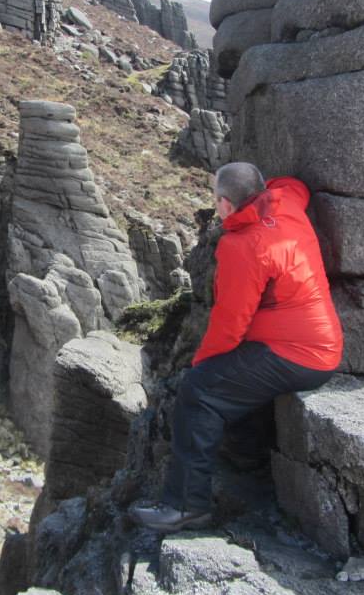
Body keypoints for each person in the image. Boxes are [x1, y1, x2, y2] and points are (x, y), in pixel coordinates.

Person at [130, 162, 343, 533]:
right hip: (318, 343)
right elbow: (293, 184)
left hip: (297, 353)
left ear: (226, 205)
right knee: (228, 384)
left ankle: (186, 507)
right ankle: (245, 467)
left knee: (200, 391)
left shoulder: (243, 246)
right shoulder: (286, 203)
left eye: (216, 198)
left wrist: (201, 365)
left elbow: (230, 325)